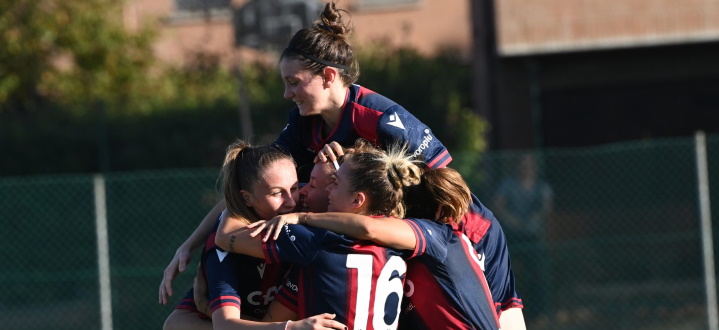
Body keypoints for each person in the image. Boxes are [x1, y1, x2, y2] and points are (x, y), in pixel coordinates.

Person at [158, 1, 453, 306]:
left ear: (327, 76)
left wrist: (460, 250)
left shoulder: (379, 119)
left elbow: (446, 188)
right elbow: (251, 186)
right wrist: (190, 246)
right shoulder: (303, 125)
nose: (287, 93)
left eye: (293, 82)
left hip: (450, 239)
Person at [250, 145, 502, 329]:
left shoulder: (438, 235)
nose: (327, 189)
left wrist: (301, 218)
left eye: (334, 183)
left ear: (359, 199)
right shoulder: (393, 250)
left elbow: (367, 227)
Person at [206, 139, 427, 328]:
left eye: (335, 183)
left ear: (357, 200)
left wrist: (233, 201)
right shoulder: (399, 236)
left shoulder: (313, 238)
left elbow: (225, 237)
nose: (300, 193)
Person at [162, 140, 346, 330]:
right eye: (277, 193)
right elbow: (222, 325)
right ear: (247, 198)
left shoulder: (304, 202)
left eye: (294, 188)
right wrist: (291, 328)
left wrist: (347, 158)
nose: (291, 202)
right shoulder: (225, 250)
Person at [494, 152, 554, 321]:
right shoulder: (508, 185)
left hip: (534, 239)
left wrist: (537, 217)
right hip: (512, 239)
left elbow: (547, 208)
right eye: (522, 164)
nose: (525, 168)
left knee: (538, 275)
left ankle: (538, 315)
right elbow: (498, 205)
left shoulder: (541, 187)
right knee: (507, 277)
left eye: (529, 164)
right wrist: (512, 221)